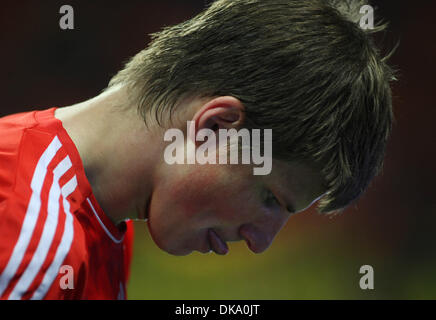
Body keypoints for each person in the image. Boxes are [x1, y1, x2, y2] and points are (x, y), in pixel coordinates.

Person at [0, 0, 395, 299]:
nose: (261, 241)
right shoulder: (35, 242)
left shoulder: (99, 227)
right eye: (271, 199)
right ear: (215, 127)